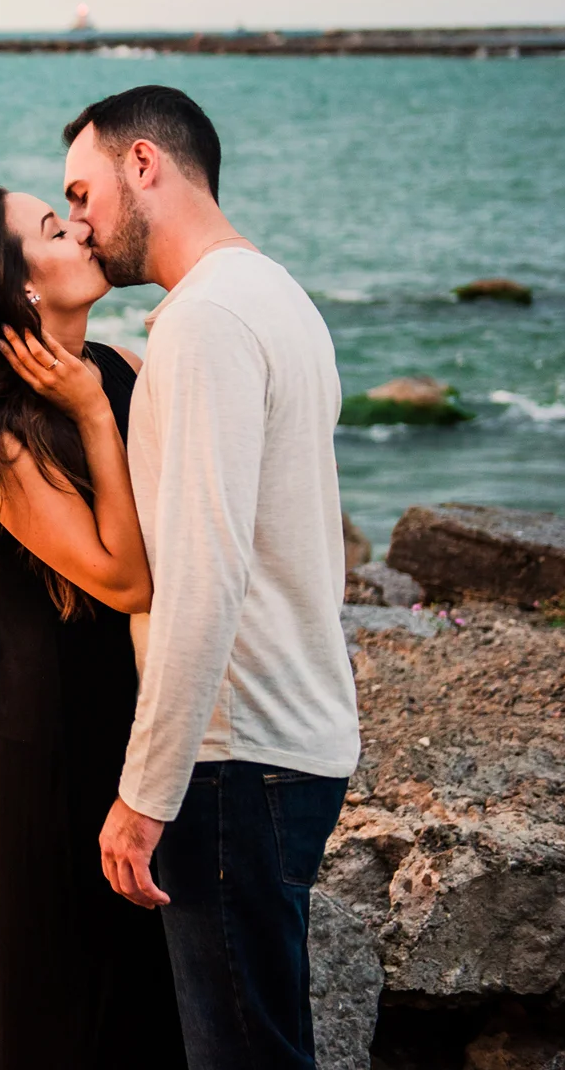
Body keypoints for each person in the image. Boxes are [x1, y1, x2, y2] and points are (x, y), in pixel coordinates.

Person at [47, 85, 361, 1070]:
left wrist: (144, 792)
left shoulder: (203, 323)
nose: (81, 225)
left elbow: (202, 577)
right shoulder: (272, 294)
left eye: (80, 191)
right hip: (295, 739)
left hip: (234, 759)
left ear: (143, 163)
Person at [0, 186, 185, 1069]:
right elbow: (129, 579)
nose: (84, 228)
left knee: (148, 988)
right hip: (60, 737)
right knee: (66, 986)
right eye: (56, 230)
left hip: (144, 707)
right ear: (21, 290)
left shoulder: (118, 361)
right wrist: (95, 412)